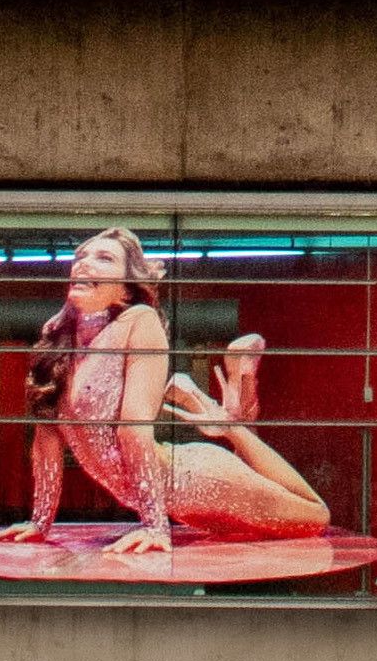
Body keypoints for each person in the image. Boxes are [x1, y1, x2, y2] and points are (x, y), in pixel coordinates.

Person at [17, 228, 330, 557]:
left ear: (125, 289)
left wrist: (154, 525)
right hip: (168, 498)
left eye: (104, 258)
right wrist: (39, 523)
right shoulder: (56, 334)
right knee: (241, 532)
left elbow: (133, 429)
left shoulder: (140, 319)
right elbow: (46, 438)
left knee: (314, 516)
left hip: (197, 483)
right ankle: (234, 399)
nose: (83, 264)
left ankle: (232, 421)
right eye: (81, 257)